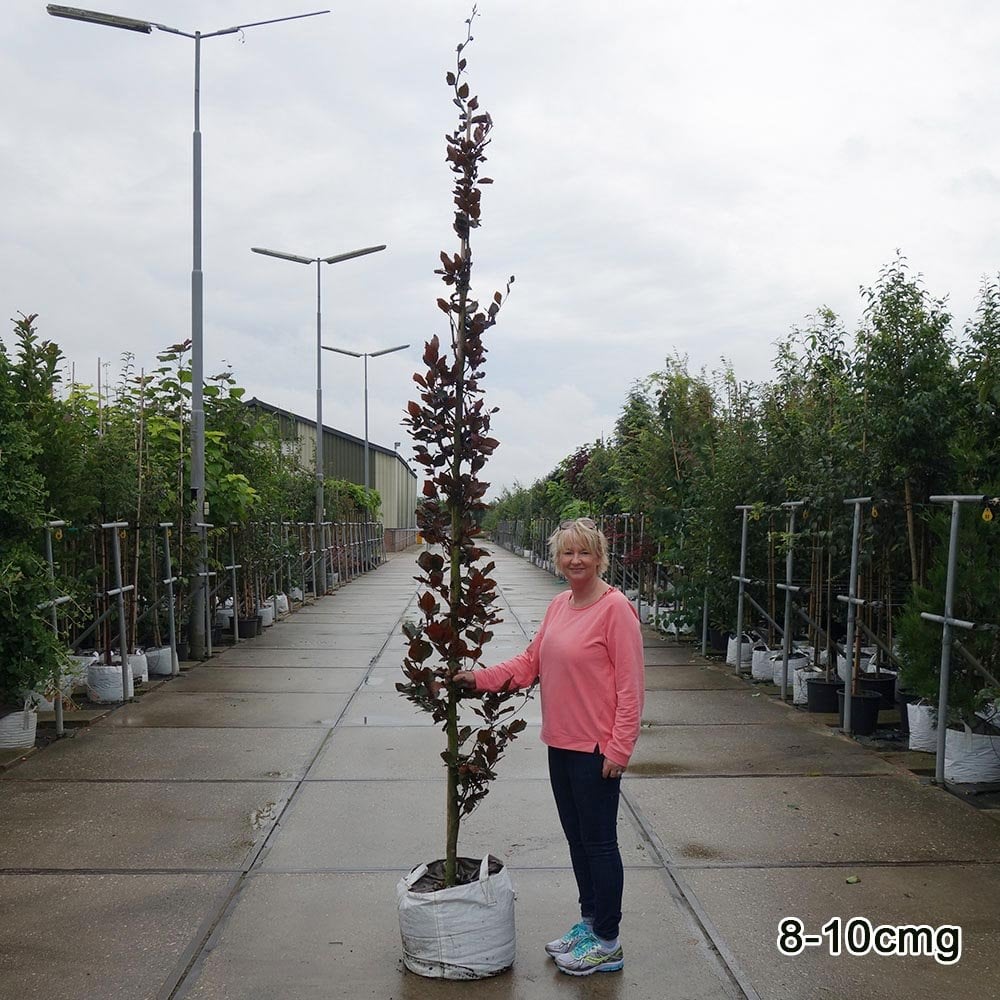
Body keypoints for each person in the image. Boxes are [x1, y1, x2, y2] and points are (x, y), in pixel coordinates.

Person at [454, 516, 644, 977]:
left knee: (600, 845)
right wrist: (478, 679)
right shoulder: (560, 605)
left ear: (599, 556)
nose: (575, 560)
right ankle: (589, 922)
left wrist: (620, 749)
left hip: (596, 751)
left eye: (584, 552)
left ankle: (608, 941)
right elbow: (530, 662)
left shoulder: (616, 609)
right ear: (558, 559)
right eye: (567, 553)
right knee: (578, 842)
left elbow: (630, 686)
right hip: (560, 744)